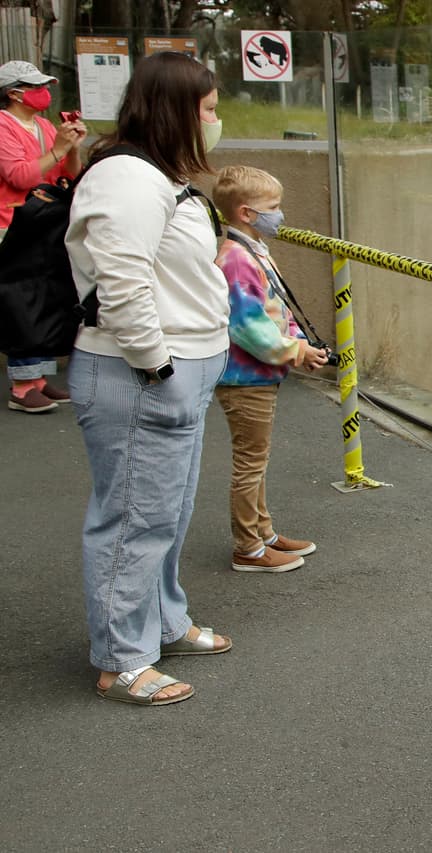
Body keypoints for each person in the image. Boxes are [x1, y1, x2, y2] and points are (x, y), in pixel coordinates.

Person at [64, 52, 232, 707]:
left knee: (167, 511)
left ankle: (161, 620)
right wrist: (157, 366)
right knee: (135, 517)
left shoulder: (155, 176)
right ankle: (122, 659)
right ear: (177, 110)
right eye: (210, 110)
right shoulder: (128, 178)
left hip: (173, 372)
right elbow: (123, 281)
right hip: (141, 374)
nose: (216, 122)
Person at [210, 165, 328, 573]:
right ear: (245, 212)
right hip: (244, 378)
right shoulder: (238, 260)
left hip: (258, 376)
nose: (279, 214)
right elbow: (247, 324)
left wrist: (299, 343)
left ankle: (263, 532)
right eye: (272, 207)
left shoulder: (252, 249)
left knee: (256, 458)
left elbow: (275, 307)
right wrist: (296, 351)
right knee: (250, 462)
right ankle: (248, 547)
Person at [0, 59, 86, 413]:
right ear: (14, 93)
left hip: (43, 222)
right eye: (35, 87)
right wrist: (59, 150)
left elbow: (71, 173)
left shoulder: (43, 126)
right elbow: (20, 177)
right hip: (11, 223)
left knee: (46, 298)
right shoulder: (3, 127)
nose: (43, 93)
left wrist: (73, 145)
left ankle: (37, 378)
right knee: (22, 301)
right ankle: (22, 386)